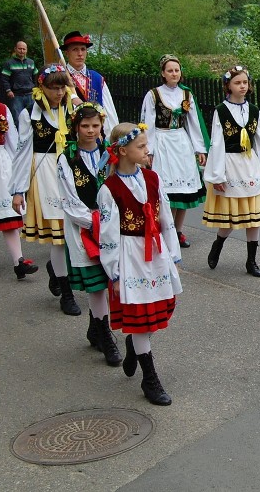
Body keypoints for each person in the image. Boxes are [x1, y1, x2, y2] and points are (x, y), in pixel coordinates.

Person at [97, 122, 182, 405]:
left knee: (158, 309)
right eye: (141, 146)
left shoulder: (152, 178)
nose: (148, 150)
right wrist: (116, 274)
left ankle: (134, 346)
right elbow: (107, 237)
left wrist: (172, 255)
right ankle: (150, 378)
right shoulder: (109, 190)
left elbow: (165, 218)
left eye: (146, 145)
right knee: (141, 317)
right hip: (129, 255)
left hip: (155, 252)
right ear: (122, 151)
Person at [10, 64, 82, 315]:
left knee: (74, 234)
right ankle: (67, 292)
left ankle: (56, 268)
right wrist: (18, 190)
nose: (59, 92)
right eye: (54, 87)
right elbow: (21, 153)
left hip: (72, 172)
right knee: (59, 237)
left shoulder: (72, 108)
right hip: (45, 174)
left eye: (62, 86)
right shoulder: (30, 113)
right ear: (42, 87)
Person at [57, 102, 121, 366]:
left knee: (110, 279)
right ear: (75, 127)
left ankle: (95, 329)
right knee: (96, 285)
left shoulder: (110, 154)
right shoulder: (67, 157)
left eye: (95, 125)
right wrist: (94, 222)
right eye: (85, 126)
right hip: (84, 227)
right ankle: (105, 336)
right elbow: (69, 200)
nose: (91, 130)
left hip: (110, 226)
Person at [202, 66, 260, 277]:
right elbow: (216, 143)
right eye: (237, 83)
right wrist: (217, 175)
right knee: (231, 217)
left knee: (254, 218)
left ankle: (251, 261)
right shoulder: (221, 110)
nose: (242, 86)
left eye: (245, 82)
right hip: (230, 165)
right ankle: (218, 244)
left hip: (249, 165)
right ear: (228, 85)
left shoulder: (254, 111)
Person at [140, 54, 209, 249]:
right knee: (167, 191)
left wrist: (199, 149)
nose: (174, 73)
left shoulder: (187, 95)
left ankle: (177, 231)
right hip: (162, 142)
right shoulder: (153, 94)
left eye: (177, 70)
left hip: (181, 142)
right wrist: (148, 150)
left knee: (184, 191)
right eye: (170, 70)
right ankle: (165, 231)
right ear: (163, 73)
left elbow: (193, 123)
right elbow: (148, 124)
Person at [0, 70, 39, 279]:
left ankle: (18, 261)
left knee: (7, 214)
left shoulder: (2, 108)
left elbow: (13, 140)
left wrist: (15, 168)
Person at [60, 31, 119, 133]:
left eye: (83, 49)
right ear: (67, 53)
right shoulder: (61, 77)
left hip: (95, 135)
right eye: (75, 49)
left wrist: (112, 136)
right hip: (68, 134)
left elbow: (109, 111)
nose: (80, 54)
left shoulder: (97, 78)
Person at [0, 41, 37, 128]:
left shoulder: (31, 62)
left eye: (24, 49)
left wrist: (36, 88)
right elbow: (4, 79)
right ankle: (19, 139)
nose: (22, 51)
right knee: (18, 119)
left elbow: (37, 76)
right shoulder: (9, 63)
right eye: (20, 48)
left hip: (30, 94)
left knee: (33, 117)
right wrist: (8, 90)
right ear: (15, 49)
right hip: (16, 96)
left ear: (26, 50)